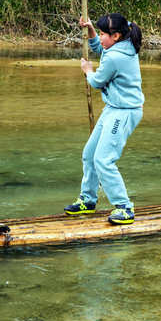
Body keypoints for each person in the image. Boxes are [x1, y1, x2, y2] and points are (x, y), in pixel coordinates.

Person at [63, 13, 144, 225]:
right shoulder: (119, 46)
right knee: (89, 154)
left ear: (116, 35)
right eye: (98, 33)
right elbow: (100, 49)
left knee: (103, 160)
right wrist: (90, 31)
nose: (99, 37)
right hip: (113, 108)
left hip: (125, 111)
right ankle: (88, 201)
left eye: (102, 33)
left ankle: (125, 208)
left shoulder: (118, 56)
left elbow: (98, 82)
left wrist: (88, 71)